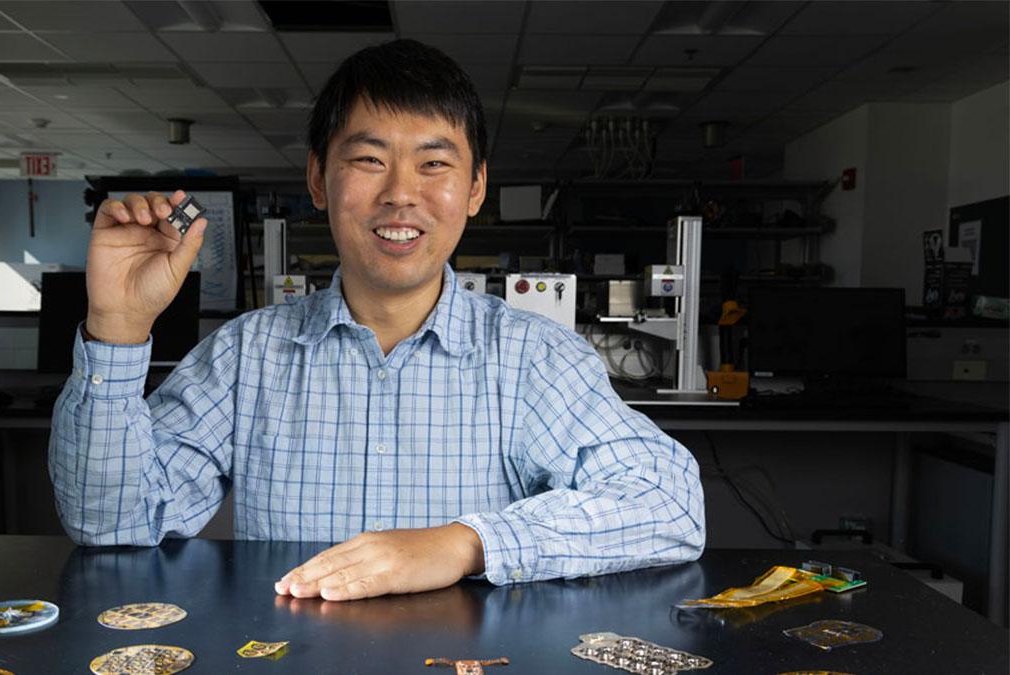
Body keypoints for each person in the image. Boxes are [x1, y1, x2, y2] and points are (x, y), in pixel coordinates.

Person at [49, 39, 704, 603]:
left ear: (475, 187)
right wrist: (117, 325)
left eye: (434, 163)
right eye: (368, 159)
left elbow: (671, 505)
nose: (400, 194)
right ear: (317, 178)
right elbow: (110, 522)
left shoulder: (532, 359)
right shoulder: (245, 357)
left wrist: (466, 543)